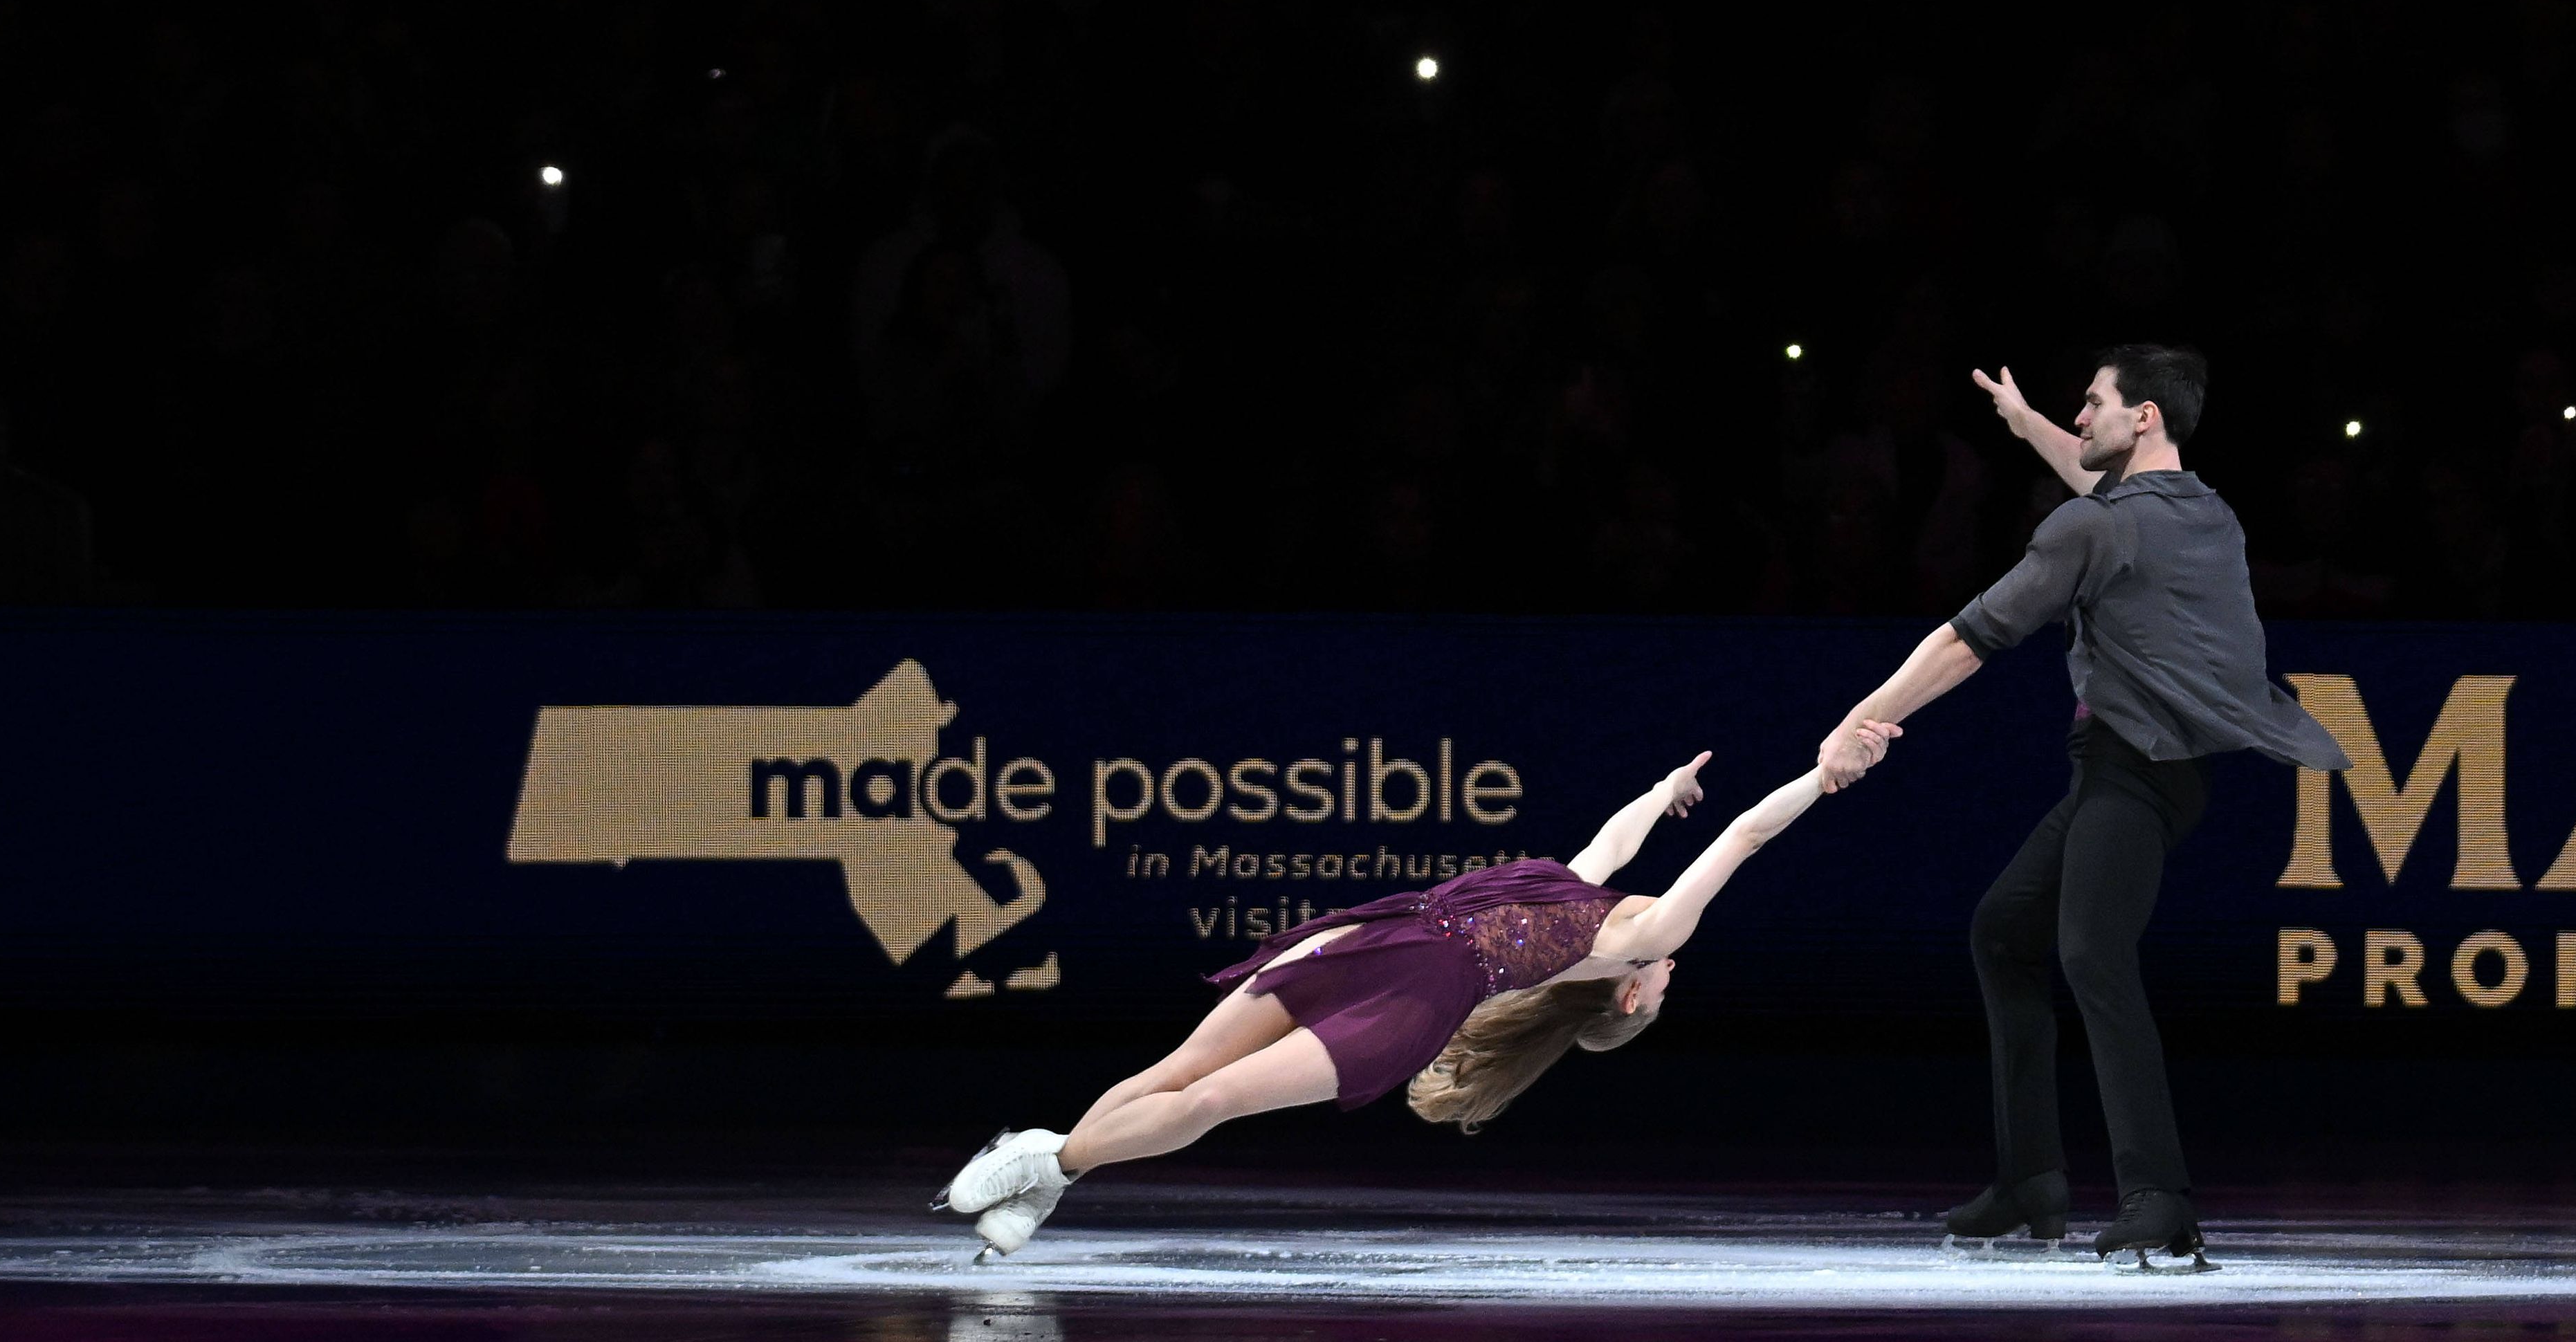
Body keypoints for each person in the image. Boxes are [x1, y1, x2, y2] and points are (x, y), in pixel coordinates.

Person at [1816, 344, 2347, 1269]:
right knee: (2004, 932)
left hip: (2131, 766)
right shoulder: (2205, 511)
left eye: (2094, 403)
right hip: (2158, 773)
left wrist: (1859, 721)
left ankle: (2160, 1194)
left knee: (2093, 952)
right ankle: (2033, 1180)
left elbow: (1969, 638)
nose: (2081, 417)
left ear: (2144, 416)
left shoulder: (2091, 527)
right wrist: (2027, 426)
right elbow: (2106, 493)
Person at [940, 748, 1829, 1258]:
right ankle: (1053, 1175)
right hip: (1379, 936)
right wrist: (1666, 791)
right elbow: (1614, 839)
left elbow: (1744, 835)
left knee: (1210, 1100)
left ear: (1632, 991)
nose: (1675, 971)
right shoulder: (1584, 891)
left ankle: (1044, 1159)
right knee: (1178, 1068)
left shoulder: (1644, 935)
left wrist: (1823, 776)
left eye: (1665, 985)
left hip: (1414, 1001)